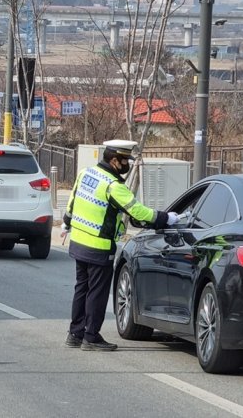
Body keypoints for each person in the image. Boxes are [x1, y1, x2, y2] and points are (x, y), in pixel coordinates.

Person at [61, 139, 179, 351]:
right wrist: (166, 218)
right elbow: (138, 211)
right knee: (97, 292)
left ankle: (75, 334)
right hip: (99, 245)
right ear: (114, 161)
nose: (128, 165)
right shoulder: (113, 186)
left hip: (78, 240)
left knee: (82, 288)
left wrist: (66, 222)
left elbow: (72, 201)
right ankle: (91, 337)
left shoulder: (86, 173)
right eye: (125, 161)